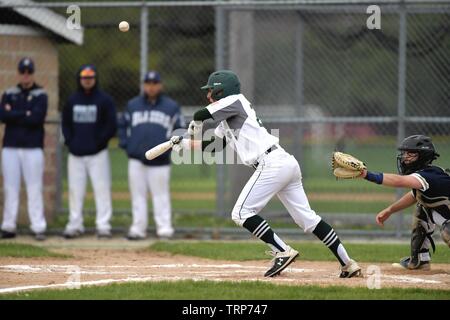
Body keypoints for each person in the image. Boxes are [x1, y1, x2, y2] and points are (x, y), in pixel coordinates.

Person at [170, 70, 362, 278]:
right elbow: (214, 146)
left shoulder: (235, 100)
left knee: (241, 213)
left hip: (271, 163)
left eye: (211, 91)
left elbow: (200, 115)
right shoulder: (228, 118)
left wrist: (196, 124)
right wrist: (185, 142)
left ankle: (282, 250)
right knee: (308, 219)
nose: (208, 96)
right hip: (283, 162)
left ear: (221, 91)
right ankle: (347, 263)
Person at [361, 135, 450, 270]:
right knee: (422, 208)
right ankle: (420, 260)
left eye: (411, 154)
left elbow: (399, 181)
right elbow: (414, 196)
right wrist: (390, 210)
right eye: (405, 153)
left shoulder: (430, 175)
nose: (405, 157)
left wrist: (367, 175)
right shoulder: (424, 176)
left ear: (423, 156)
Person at [118, 71, 185, 240]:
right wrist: (127, 146)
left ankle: (164, 229)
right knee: (137, 195)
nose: (151, 86)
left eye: (154, 83)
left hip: (160, 161)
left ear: (160, 85)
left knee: (161, 195)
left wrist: (169, 149)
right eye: (148, 83)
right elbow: (122, 127)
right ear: (143, 85)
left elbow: (180, 131)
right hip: (136, 160)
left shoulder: (171, 107)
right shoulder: (133, 105)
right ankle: (138, 229)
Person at [62, 64, 117, 239]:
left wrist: (99, 142)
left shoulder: (104, 100)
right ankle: (75, 224)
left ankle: (103, 225)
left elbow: (111, 125)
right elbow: (66, 124)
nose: (87, 81)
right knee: (75, 190)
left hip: (97, 153)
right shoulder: (72, 100)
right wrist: (71, 142)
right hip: (76, 153)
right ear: (80, 79)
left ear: (95, 79)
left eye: (90, 78)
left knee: (102, 189)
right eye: (84, 78)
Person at [0, 57, 47, 241]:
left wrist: (15, 114)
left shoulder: (41, 93)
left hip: (32, 147)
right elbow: (3, 115)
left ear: (33, 73)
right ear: (19, 73)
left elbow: (36, 118)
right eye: (23, 72)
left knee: (34, 187)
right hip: (10, 147)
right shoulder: (9, 92)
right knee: (11, 187)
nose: (26, 76)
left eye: (29, 72)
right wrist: (24, 113)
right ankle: (8, 226)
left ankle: (38, 227)